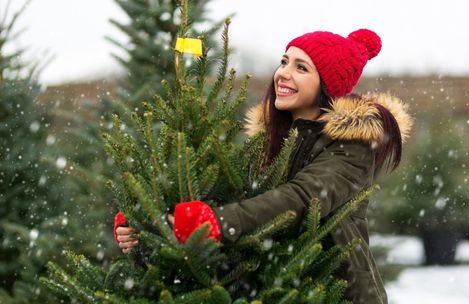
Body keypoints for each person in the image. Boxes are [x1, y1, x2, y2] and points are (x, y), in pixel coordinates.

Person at [114, 28, 412, 303]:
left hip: (334, 293)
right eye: (284, 62)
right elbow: (237, 200)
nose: (282, 74)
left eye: (301, 67)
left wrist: (215, 222)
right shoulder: (269, 142)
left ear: (327, 85)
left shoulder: (353, 147)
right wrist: (150, 230)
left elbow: (302, 198)